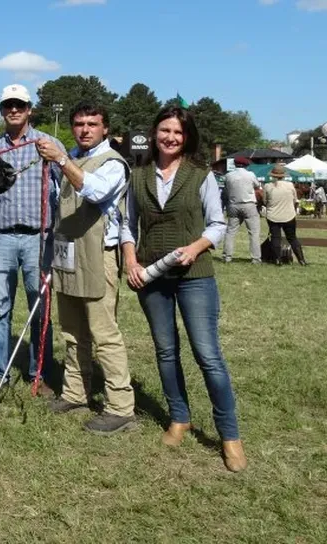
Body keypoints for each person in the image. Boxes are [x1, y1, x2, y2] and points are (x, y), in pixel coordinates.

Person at [121, 106, 247, 472]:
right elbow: (127, 224)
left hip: (195, 275)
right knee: (166, 351)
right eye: (165, 130)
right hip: (151, 275)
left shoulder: (200, 174)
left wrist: (195, 248)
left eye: (178, 132)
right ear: (154, 133)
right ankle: (179, 417)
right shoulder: (138, 176)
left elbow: (217, 223)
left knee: (208, 355)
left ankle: (229, 435)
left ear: (187, 137)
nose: (171, 137)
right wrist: (131, 261)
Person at [33, 102, 136, 435]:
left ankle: (120, 407)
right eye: (79, 124)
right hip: (68, 252)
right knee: (72, 330)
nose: (85, 129)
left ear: (105, 128)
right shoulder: (73, 158)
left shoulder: (113, 163)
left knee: (104, 334)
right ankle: (75, 393)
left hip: (98, 254)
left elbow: (95, 191)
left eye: (92, 124)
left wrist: (62, 160)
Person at [0, 84, 65, 395]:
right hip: (1, 239)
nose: (14, 110)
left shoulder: (48, 144)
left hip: (39, 239)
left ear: (29, 109)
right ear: (1, 110)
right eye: (8, 105)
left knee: (40, 309)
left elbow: (69, 186)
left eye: (19, 105)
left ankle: (39, 373)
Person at [264, 164, 307, 266]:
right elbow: (295, 200)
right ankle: (301, 260)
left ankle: (277, 260)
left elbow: (265, 201)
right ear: (283, 175)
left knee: (275, 238)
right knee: (292, 238)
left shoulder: (267, 186)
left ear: (272, 175)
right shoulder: (290, 185)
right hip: (289, 215)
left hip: (273, 215)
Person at [221, 157, 262, 264]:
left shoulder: (228, 175)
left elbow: (225, 190)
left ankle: (227, 256)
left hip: (233, 205)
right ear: (246, 165)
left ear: (234, 164)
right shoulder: (250, 175)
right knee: (254, 233)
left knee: (230, 232)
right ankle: (256, 258)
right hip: (249, 205)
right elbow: (257, 186)